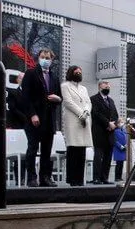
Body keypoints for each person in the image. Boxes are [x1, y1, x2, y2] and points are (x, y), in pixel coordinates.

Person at [21, 48, 62, 187]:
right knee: (32, 148)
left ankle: (45, 177)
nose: (45, 59)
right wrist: (32, 114)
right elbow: (26, 97)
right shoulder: (31, 73)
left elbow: (59, 97)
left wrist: (58, 99)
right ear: (38, 58)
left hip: (49, 119)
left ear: (52, 60)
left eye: (48, 57)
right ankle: (32, 177)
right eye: (43, 57)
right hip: (34, 118)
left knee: (46, 150)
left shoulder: (55, 77)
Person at [60, 65, 92, 187]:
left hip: (84, 120)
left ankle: (80, 179)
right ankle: (72, 179)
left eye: (80, 71)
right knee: (73, 149)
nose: (78, 73)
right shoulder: (65, 86)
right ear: (71, 73)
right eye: (76, 71)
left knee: (82, 150)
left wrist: (86, 112)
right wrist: (80, 113)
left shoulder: (84, 88)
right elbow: (68, 102)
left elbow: (88, 102)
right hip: (73, 120)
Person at [90, 80, 119, 184]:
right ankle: (96, 178)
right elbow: (96, 114)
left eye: (108, 86)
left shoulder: (111, 100)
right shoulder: (93, 99)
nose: (107, 88)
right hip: (99, 132)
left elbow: (115, 114)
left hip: (110, 132)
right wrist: (108, 123)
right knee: (98, 155)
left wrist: (114, 124)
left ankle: (104, 177)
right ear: (99, 87)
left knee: (108, 156)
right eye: (105, 86)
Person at [112, 118, 128, 183]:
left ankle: (120, 176)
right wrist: (120, 146)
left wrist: (126, 145)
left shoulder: (124, 130)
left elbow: (126, 138)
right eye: (120, 122)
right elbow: (115, 140)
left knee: (121, 164)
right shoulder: (115, 131)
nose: (122, 124)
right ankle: (116, 177)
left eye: (122, 122)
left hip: (124, 149)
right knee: (118, 164)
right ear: (117, 123)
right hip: (118, 149)